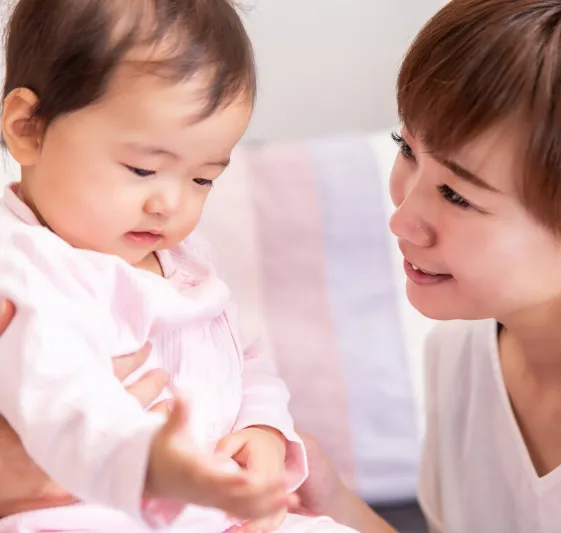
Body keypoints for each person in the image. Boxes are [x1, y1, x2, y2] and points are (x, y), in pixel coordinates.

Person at [2, 0, 561, 532]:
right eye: (406, 152)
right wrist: (335, 499)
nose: (401, 214)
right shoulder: (465, 350)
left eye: (457, 194)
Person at [0, 1, 356, 532]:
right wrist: (154, 466)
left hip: (209, 506)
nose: (170, 204)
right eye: (144, 168)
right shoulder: (28, 268)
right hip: (88, 512)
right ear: (28, 129)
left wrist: (263, 430)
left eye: (202, 178)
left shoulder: (185, 261)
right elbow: (63, 402)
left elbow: (243, 360)